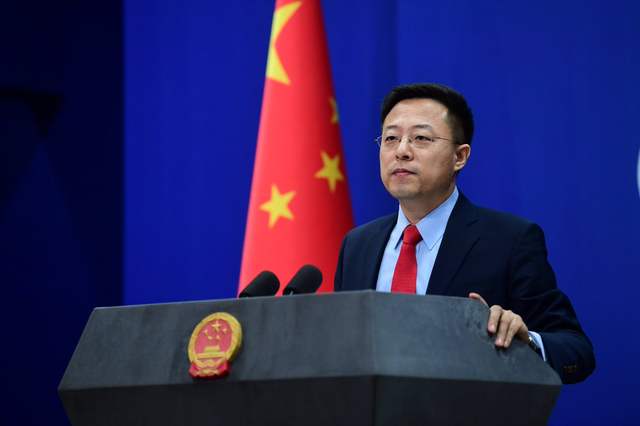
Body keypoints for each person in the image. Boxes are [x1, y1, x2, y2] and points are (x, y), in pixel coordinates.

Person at [334, 83, 595, 384]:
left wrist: (528, 343)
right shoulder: (358, 245)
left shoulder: (509, 241)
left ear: (460, 156)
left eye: (421, 138)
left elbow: (577, 351)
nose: (401, 151)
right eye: (391, 138)